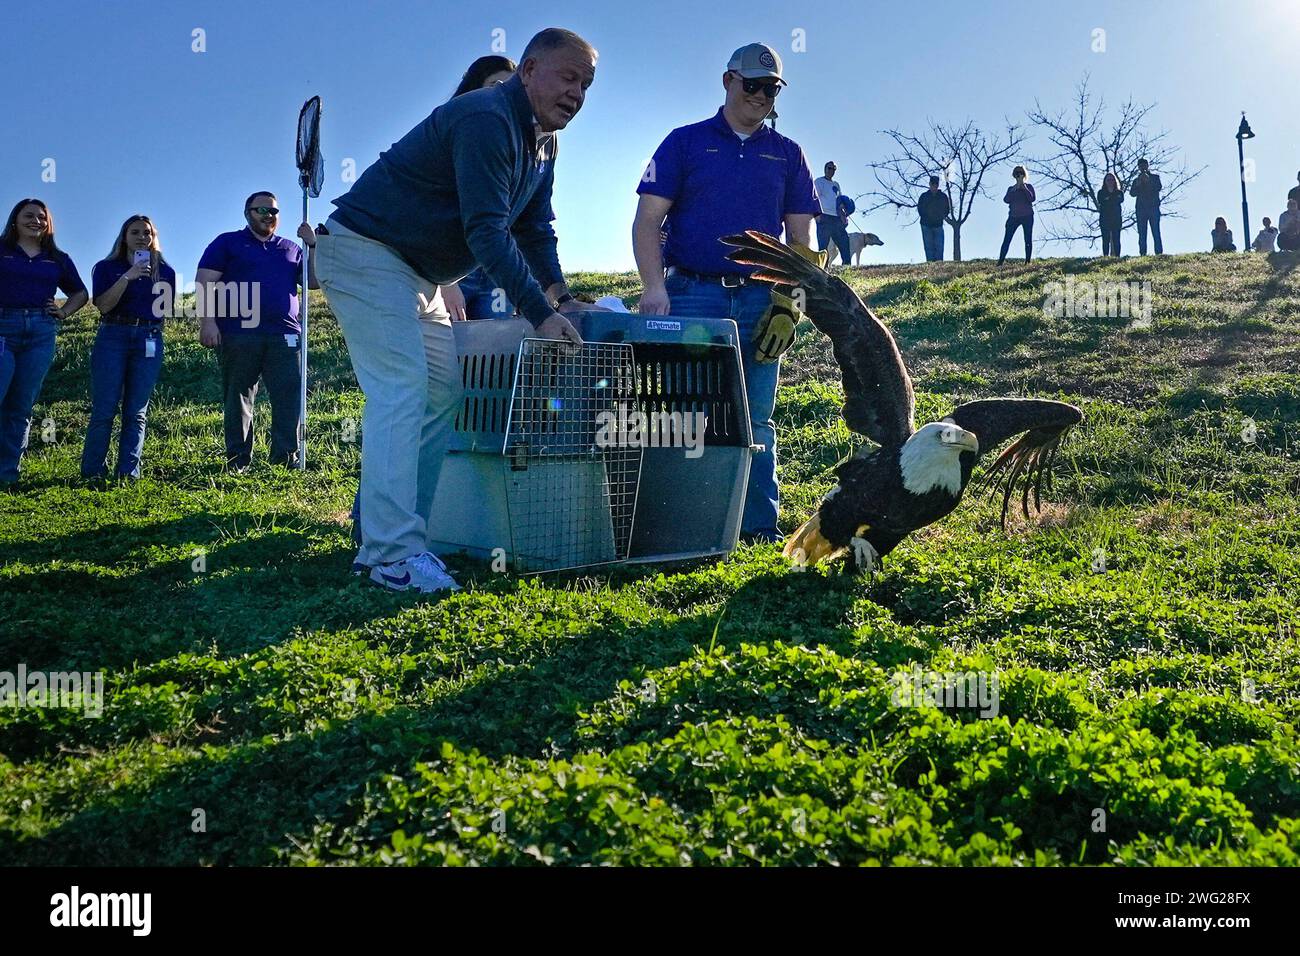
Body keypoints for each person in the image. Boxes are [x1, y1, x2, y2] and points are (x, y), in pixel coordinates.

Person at [316, 27, 599, 593]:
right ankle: (390, 554)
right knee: (403, 388)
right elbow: (488, 231)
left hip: (418, 274)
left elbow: (534, 229)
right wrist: (540, 315)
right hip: (365, 251)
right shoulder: (487, 118)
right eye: (568, 77)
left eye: (587, 85)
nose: (577, 94)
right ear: (528, 69)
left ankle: (400, 539)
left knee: (442, 394)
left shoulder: (544, 143)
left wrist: (561, 296)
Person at [633, 42, 821, 544]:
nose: (761, 96)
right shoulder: (685, 142)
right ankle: (687, 525)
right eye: (752, 84)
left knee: (756, 416)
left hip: (762, 298)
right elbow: (648, 220)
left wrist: (791, 302)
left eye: (772, 88)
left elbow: (801, 241)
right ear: (727, 80)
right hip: (692, 295)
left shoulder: (788, 154)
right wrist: (654, 288)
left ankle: (758, 528)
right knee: (687, 415)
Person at [81, 215, 177, 480]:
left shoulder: (164, 271)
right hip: (113, 334)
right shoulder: (106, 267)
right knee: (105, 407)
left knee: (136, 410)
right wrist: (128, 276)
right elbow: (103, 305)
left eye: (147, 233)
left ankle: (128, 473)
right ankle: (92, 472)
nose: (142, 237)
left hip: (148, 336)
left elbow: (166, 309)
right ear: (124, 237)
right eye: (135, 232)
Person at [0, 199, 88, 485]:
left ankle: (7, 475)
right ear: (15, 220)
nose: (36, 221)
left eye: (41, 217)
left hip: (41, 331)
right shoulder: (2, 250)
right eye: (29, 216)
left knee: (22, 404)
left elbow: (79, 292)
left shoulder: (57, 258)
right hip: (4, 328)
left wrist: (63, 312)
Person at [441, 55, 519, 321]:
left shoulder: (518, 148)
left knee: (496, 354)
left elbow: (530, 224)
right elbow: (430, 211)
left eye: (510, 88)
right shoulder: (451, 134)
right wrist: (445, 282)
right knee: (447, 352)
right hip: (455, 266)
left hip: (497, 271)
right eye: (495, 85)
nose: (502, 94)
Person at [813, 161, 851, 267]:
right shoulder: (819, 182)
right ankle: (822, 269)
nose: (831, 171)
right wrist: (816, 215)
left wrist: (844, 215)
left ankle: (847, 267)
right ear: (825, 169)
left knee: (844, 242)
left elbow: (839, 201)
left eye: (834, 169)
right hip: (824, 216)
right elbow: (814, 198)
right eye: (829, 168)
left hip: (837, 218)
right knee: (823, 246)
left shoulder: (836, 184)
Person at [997, 166, 1036, 264]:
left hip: (1027, 216)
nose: (1019, 175)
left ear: (1024, 175)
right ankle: (1000, 261)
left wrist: (1024, 188)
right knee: (1007, 239)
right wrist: (1015, 188)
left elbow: (1032, 198)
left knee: (1027, 239)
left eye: (1021, 173)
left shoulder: (1029, 187)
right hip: (1013, 217)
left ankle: (1027, 261)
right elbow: (1006, 200)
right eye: (1017, 173)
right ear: (1014, 176)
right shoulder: (1011, 189)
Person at [1129, 158, 1163, 255]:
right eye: (1140, 166)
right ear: (1138, 167)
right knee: (1142, 233)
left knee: (1156, 231)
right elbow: (1132, 193)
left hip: (1153, 208)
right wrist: (1138, 184)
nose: (1143, 167)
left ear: (1147, 166)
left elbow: (1158, 187)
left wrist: (1148, 181)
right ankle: (1143, 253)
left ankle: (1159, 253)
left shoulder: (1155, 177)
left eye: (1144, 165)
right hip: (1141, 209)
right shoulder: (1136, 180)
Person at [916, 175, 950, 262]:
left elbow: (947, 209)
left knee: (939, 246)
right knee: (928, 246)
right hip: (926, 224)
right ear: (929, 184)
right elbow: (920, 209)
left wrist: (941, 217)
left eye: (936, 184)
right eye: (932, 184)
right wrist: (926, 217)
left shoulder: (943, 196)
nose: (934, 186)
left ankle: (939, 263)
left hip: (938, 224)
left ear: (938, 185)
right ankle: (930, 263)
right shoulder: (924, 196)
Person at [1096, 172, 1124, 257]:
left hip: (1116, 218)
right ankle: (1105, 256)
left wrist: (1108, 199)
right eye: (1108, 180)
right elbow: (1101, 201)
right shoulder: (1101, 192)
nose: (1110, 181)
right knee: (1105, 238)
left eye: (1112, 180)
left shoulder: (1119, 192)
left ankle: (1117, 256)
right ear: (1105, 181)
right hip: (1105, 218)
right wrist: (1111, 199)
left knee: (1116, 238)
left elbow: (1120, 200)